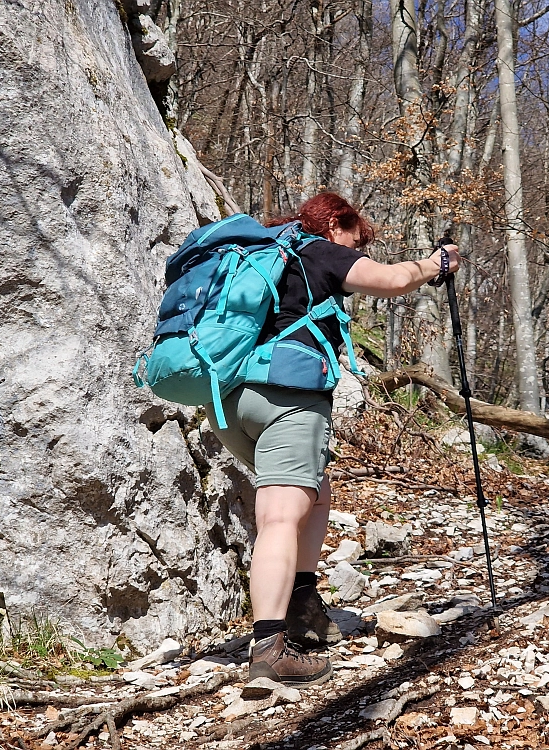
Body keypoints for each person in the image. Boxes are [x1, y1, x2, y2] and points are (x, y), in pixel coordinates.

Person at [204, 192, 460, 687]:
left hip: (230, 402)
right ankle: (269, 648)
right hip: (287, 398)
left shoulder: (264, 255)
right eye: (357, 238)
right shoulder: (318, 250)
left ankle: (302, 598)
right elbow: (392, 280)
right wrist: (435, 263)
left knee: (315, 492)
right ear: (337, 224)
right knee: (280, 516)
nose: (357, 246)